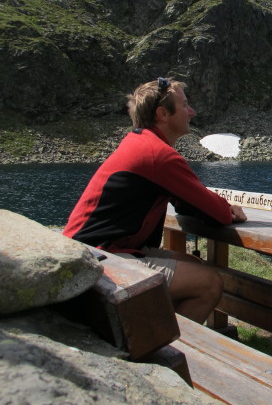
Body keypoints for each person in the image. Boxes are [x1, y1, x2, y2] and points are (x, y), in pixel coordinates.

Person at [63, 77, 246, 323]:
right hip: (98, 260)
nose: (192, 111)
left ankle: (152, 327)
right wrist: (229, 208)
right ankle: (166, 351)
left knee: (191, 263)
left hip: (94, 252)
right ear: (163, 114)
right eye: (185, 105)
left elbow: (189, 202)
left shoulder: (140, 142)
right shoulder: (158, 155)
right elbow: (219, 215)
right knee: (209, 284)